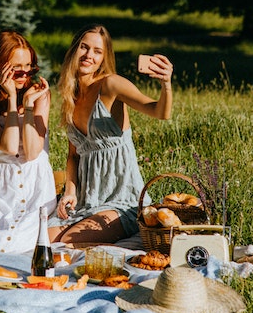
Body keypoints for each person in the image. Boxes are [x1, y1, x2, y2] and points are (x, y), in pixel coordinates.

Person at [47, 24, 173, 246]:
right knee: (42, 239)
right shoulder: (71, 96)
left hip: (122, 202)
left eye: (97, 51)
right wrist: (70, 192)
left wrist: (166, 84)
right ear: (74, 50)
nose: (88, 56)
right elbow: (74, 155)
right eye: (84, 48)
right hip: (85, 203)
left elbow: (159, 112)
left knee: (68, 241)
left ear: (104, 58)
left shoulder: (111, 84)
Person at [0, 29, 57, 254]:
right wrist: (14, 100)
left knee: (24, 238)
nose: (24, 74)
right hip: (0, 186)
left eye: (29, 67)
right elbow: (10, 146)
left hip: (35, 184)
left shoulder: (39, 95)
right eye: (17, 69)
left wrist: (29, 106)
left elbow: (32, 152)